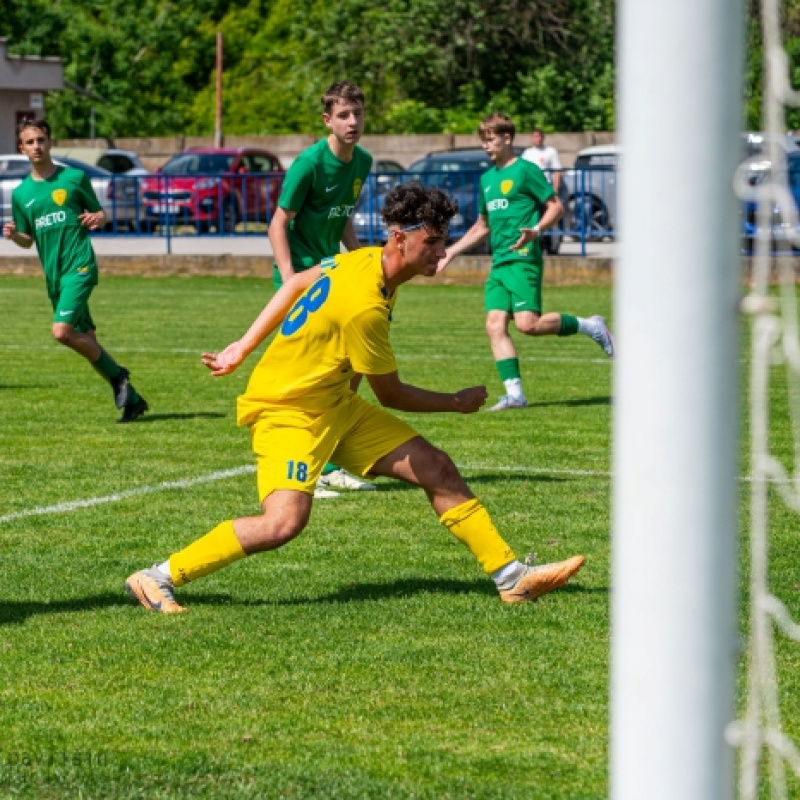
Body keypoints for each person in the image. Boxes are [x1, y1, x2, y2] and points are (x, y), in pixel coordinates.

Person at [125, 182, 585, 614]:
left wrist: (243, 346)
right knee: (282, 524)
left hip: (334, 407)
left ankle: (512, 578)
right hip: (290, 412)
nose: (443, 254)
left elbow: (296, 282)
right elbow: (392, 394)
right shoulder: (365, 304)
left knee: (436, 467)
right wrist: (456, 402)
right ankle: (157, 576)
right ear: (398, 239)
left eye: (444, 242)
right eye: (433, 243)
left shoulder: (363, 260)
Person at [437, 113, 615, 411]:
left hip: (522, 258)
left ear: (507, 138)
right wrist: (451, 251)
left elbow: (555, 207)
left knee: (527, 325)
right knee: (494, 325)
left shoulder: (525, 170)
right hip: (499, 262)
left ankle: (592, 327)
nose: (486, 146)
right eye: (483, 140)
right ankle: (515, 395)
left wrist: (536, 231)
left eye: (490, 139)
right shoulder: (487, 179)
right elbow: (482, 226)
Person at [268, 80, 374, 495]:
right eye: (344, 115)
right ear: (328, 120)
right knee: (313, 376)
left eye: (358, 113)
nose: (353, 122)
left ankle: (327, 459)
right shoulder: (308, 164)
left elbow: (343, 216)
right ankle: (305, 468)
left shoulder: (361, 161)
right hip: (303, 280)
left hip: (336, 275)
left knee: (354, 364)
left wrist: (363, 259)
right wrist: (290, 278)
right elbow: (278, 222)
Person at [2, 119, 147, 423]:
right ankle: (132, 400)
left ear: (50, 142)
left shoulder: (74, 177)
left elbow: (101, 214)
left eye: (41, 140)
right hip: (54, 276)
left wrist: (98, 217)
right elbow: (28, 241)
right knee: (88, 342)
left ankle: (120, 376)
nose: (36, 146)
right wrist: (14, 235)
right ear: (21, 148)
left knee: (61, 332)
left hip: (79, 265)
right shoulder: (21, 193)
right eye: (30, 142)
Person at [522, 128, 563, 194]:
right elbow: (523, 172)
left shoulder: (551, 151)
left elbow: (557, 171)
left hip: (546, 185)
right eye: (536, 136)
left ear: (544, 138)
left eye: (540, 136)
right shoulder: (527, 153)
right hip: (532, 186)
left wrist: (556, 189)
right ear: (531, 138)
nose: (539, 139)